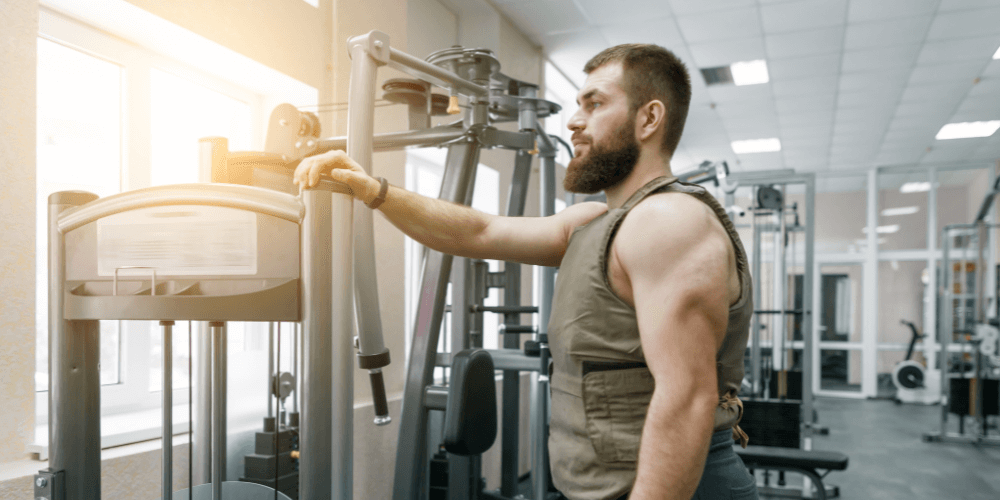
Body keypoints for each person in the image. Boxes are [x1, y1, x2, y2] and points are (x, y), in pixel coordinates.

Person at [294, 43, 757, 500]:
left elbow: (687, 399)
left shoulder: (668, 221)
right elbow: (479, 231)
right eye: (578, 105)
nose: (574, 121)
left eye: (595, 104)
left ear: (649, 119)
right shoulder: (598, 224)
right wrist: (373, 189)